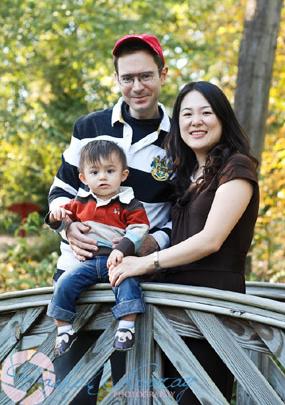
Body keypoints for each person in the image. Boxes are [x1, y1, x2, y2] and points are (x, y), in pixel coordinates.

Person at [109, 81, 260, 404]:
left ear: (223, 119)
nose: (196, 121)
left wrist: (145, 263)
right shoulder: (186, 175)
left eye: (206, 112)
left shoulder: (237, 167)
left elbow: (211, 240)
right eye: (187, 114)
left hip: (212, 306)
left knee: (200, 399)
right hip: (171, 306)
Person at [48, 33, 174, 403]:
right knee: (74, 392)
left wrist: (145, 244)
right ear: (117, 79)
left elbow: (176, 218)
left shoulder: (178, 139)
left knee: (132, 393)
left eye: (146, 76)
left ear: (163, 75)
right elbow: (58, 195)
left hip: (139, 281)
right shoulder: (89, 128)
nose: (137, 87)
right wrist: (68, 227)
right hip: (78, 276)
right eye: (128, 78)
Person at [47, 140, 150, 356]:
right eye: (94, 172)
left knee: (128, 284)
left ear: (123, 175)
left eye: (110, 170)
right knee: (64, 283)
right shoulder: (79, 202)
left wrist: (122, 248)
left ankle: (126, 327)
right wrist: (57, 217)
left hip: (118, 261)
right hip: (87, 262)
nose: (102, 177)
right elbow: (64, 222)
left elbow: (140, 228)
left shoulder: (129, 203)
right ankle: (64, 329)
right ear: (83, 178)